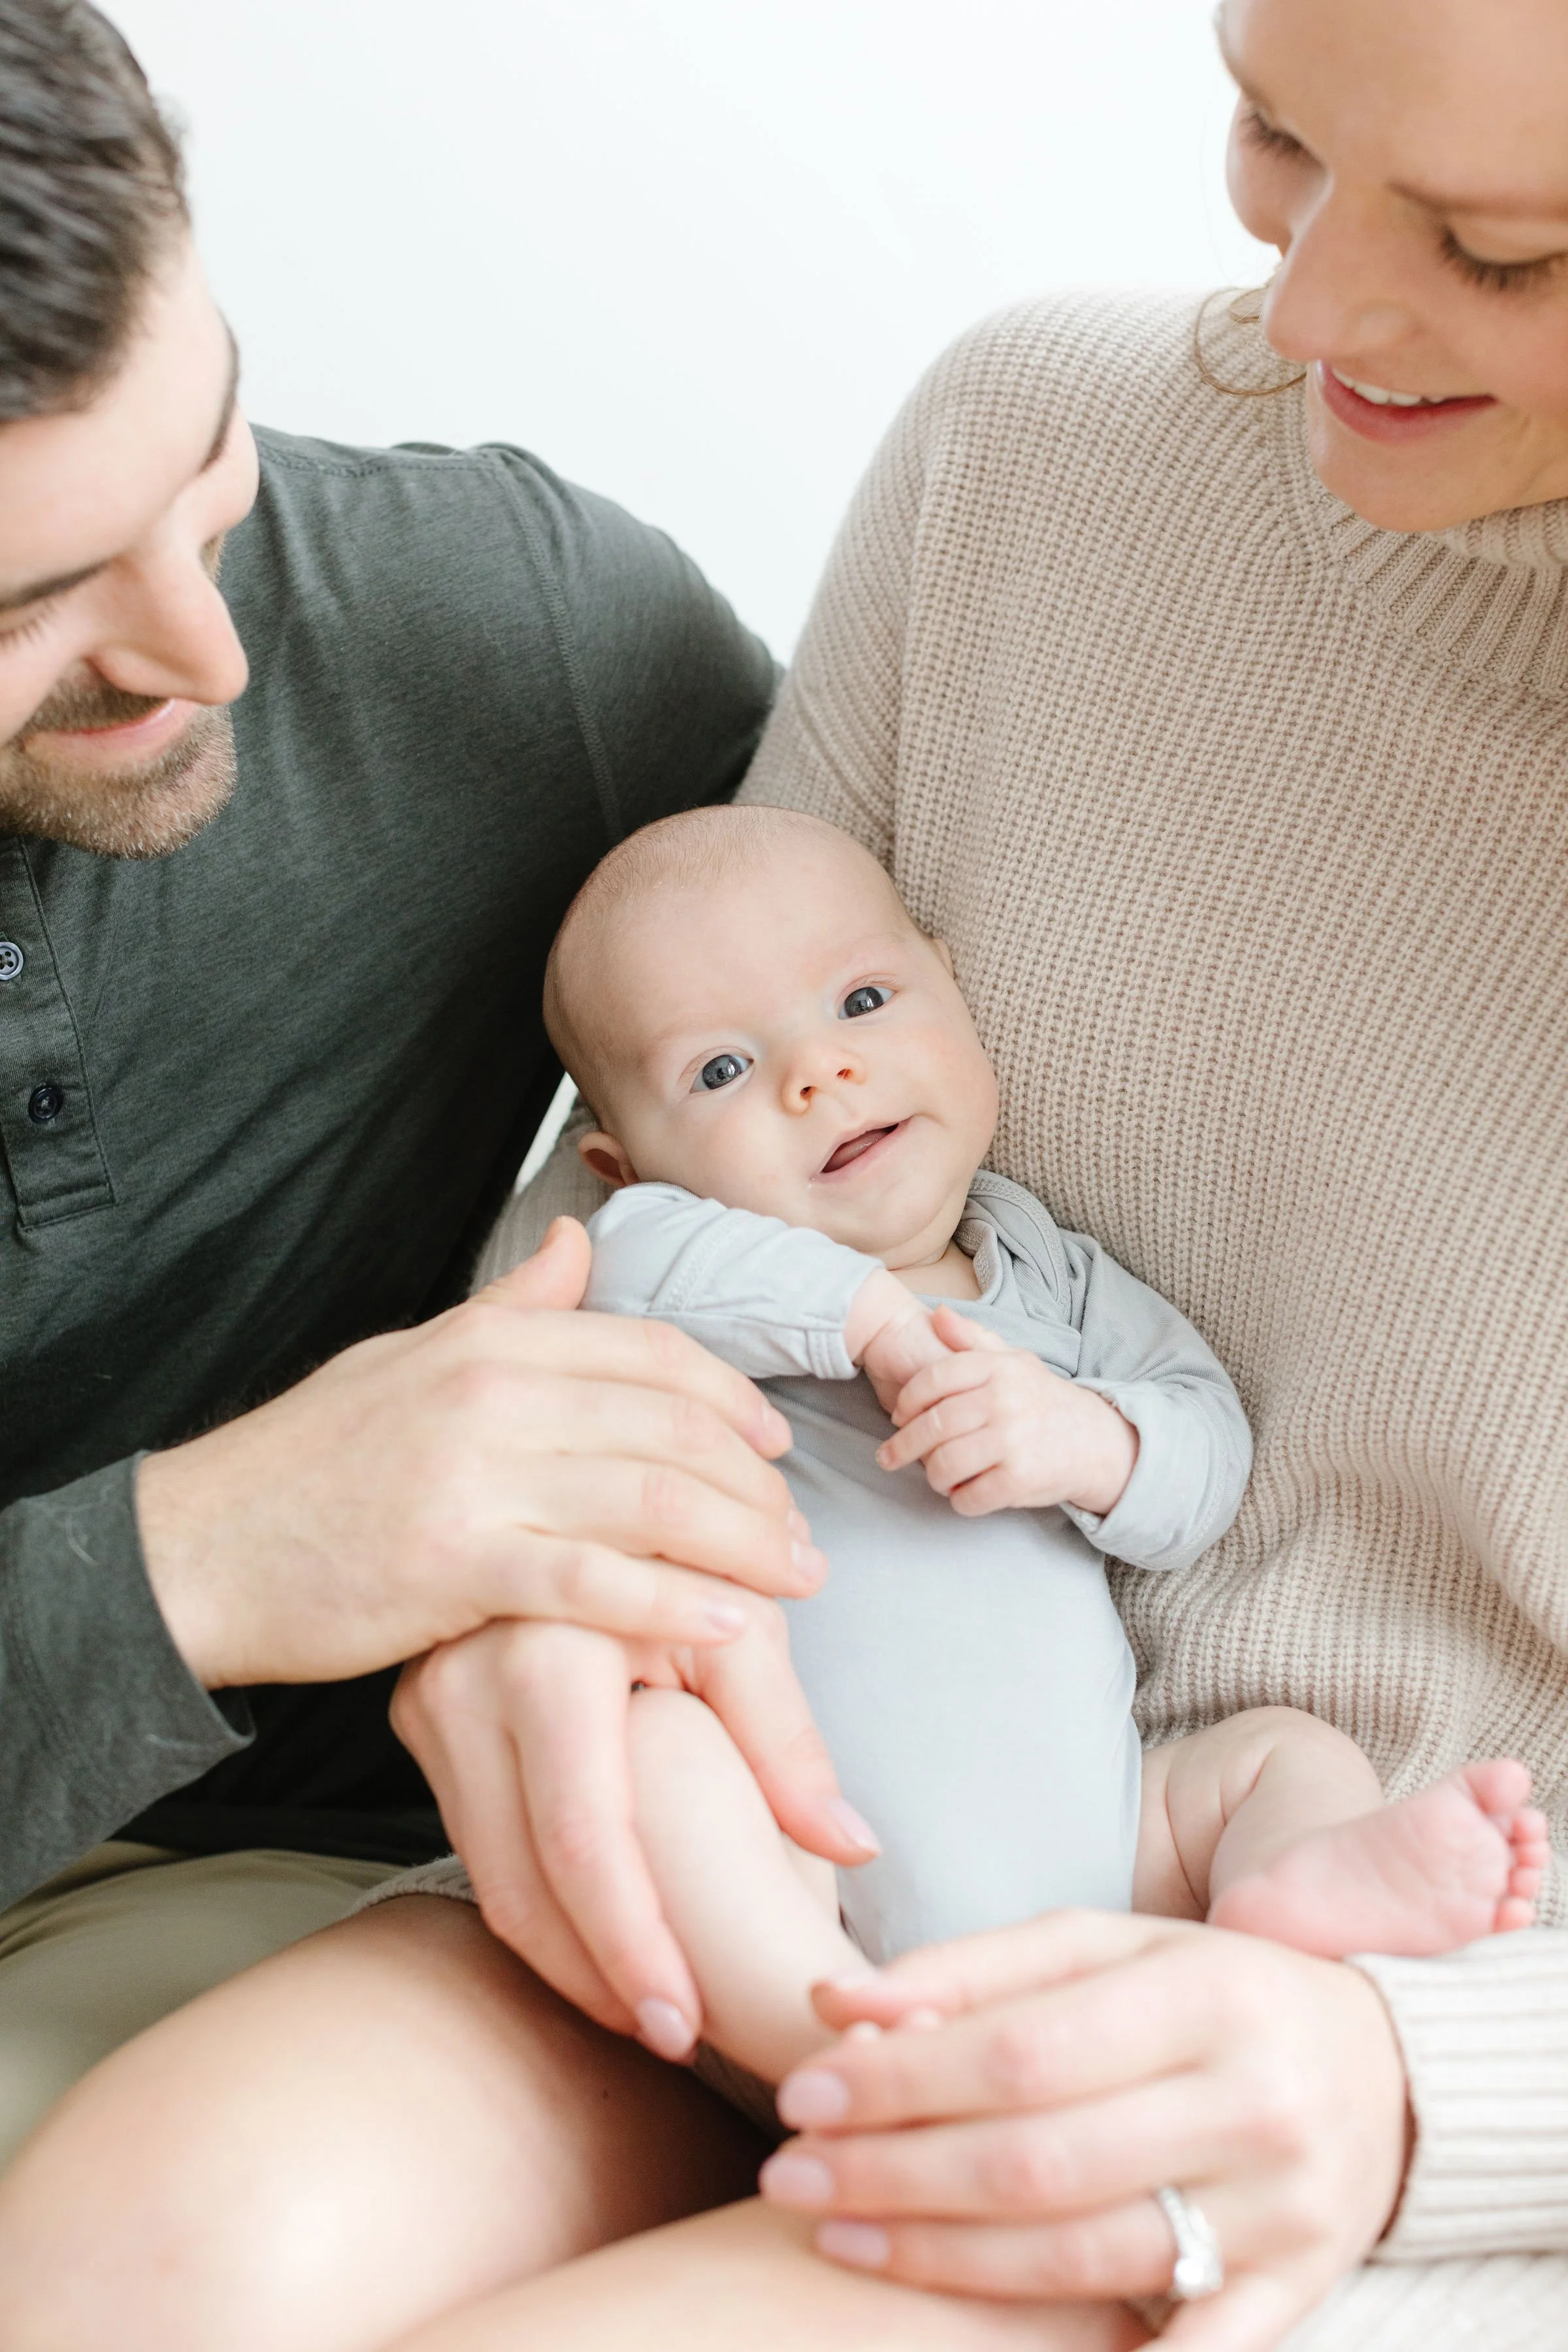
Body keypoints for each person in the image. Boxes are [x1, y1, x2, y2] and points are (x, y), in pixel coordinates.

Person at [3, 0, 1567, 2345]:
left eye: (1498, 249)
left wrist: (1429, 2078)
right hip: (745, 1805)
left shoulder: (487, 623)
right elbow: (628, 1160)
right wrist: (517, 1580)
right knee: (129, 2263)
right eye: (1269, 130)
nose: (1315, 301)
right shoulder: (1021, 463)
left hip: (1359, 2011)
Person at [0, 0, 875, 2176]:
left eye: (206, 457)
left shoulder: (510, 638)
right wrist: (206, 1557)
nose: (208, 655)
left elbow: (918, 1121)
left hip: (358, 1928)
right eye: (24, 601)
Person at [385, 801, 1544, 2113]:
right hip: (809, 1887)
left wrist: (1085, 1439)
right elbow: (625, 1269)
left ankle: (1286, 1912)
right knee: (653, 1761)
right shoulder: (670, 1262)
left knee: (1284, 1753)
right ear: (619, 1160)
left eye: (865, 998)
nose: (818, 1074)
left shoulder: (1042, 1263)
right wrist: (865, 1316)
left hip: (1110, 1852)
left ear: (953, 986)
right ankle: (841, 2054)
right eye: (720, 1071)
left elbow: (1203, 1443)